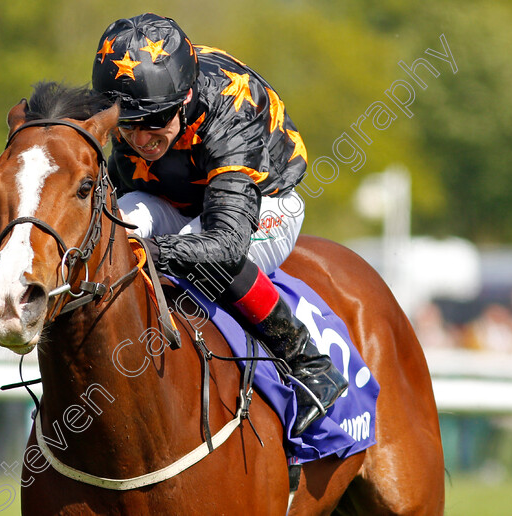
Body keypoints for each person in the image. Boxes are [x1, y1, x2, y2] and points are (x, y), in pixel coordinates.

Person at [92, 13, 347, 436]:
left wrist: (156, 251)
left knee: (199, 254)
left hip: (267, 200)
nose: (139, 138)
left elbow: (226, 241)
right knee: (121, 224)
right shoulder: (121, 97)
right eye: (128, 122)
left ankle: (309, 362)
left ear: (186, 97)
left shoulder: (231, 106)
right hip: (177, 199)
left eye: (154, 121)